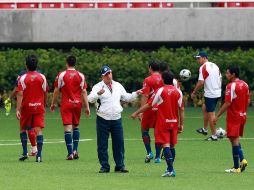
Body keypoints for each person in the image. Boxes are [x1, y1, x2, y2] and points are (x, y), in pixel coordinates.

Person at [131, 71, 184, 177]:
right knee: (172, 147)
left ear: (163, 80)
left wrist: (137, 112)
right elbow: (181, 109)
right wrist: (181, 124)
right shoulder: (178, 92)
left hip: (163, 123)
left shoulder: (160, 91)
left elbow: (149, 105)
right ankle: (170, 169)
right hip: (174, 122)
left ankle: (170, 170)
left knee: (166, 146)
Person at [88, 65, 141, 173]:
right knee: (102, 144)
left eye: (109, 73)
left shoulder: (118, 85)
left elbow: (126, 97)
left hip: (117, 118)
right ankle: (104, 166)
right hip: (103, 118)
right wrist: (98, 94)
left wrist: (136, 94)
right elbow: (90, 99)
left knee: (119, 143)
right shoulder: (98, 87)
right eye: (106, 74)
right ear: (102, 76)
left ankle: (120, 166)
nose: (108, 76)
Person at [50, 55, 90, 160]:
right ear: (75, 63)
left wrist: (53, 103)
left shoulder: (62, 75)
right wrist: (87, 107)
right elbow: (84, 91)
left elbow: (56, 90)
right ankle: (75, 150)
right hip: (77, 104)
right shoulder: (81, 75)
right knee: (76, 127)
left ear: (66, 63)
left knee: (68, 128)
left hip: (66, 104)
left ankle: (70, 153)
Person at [213, 66, 249, 173]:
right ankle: (242, 161)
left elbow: (227, 103)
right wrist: (243, 111)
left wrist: (217, 115)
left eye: (228, 73)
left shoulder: (231, 86)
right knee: (234, 139)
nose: (226, 75)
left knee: (234, 140)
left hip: (234, 116)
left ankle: (237, 166)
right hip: (243, 115)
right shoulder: (245, 84)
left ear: (233, 74)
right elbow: (248, 99)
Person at [16, 55, 48, 162]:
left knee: (23, 129)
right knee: (38, 130)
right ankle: (39, 155)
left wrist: (17, 109)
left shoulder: (22, 78)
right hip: (39, 107)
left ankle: (25, 152)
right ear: (37, 65)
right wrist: (45, 103)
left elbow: (20, 94)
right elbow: (45, 92)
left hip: (27, 108)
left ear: (26, 65)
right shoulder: (42, 77)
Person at [191, 51, 222, 141]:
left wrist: (194, 92)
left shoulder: (203, 67)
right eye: (197, 58)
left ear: (204, 58)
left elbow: (201, 82)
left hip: (211, 94)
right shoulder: (214, 65)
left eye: (199, 58)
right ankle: (204, 129)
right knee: (204, 107)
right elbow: (220, 77)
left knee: (211, 114)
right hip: (217, 92)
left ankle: (214, 135)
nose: (198, 60)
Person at [139, 61, 164, 163]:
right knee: (159, 131)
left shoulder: (148, 79)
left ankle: (149, 153)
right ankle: (158, 157)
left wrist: (141, 111)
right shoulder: (164, 78)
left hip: (150, 108)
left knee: (144, 129)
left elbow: (145, 95)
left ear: (150, 68)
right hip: (162, 109)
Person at [9, 69, 39, 156]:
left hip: (26, 104)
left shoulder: (22, 75)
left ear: (26, 65)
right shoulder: (40, 74)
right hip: (37, 104)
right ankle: (34, 149)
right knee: (32, 127)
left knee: (24, 127)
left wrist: (10, 98)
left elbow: (17, 90)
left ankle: (25, 152)